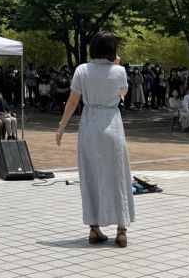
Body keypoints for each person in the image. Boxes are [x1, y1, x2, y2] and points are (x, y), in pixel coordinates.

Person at [56, 31, 134, 247]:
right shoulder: (119, 71)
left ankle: (94, 227)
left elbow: (72, 101)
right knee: (117, 175)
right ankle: (121, 229)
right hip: (111, 122)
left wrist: (62, 126)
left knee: (90, 174)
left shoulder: (82, 70)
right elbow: (123, 94)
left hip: (89, 123)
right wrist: (117, 64)